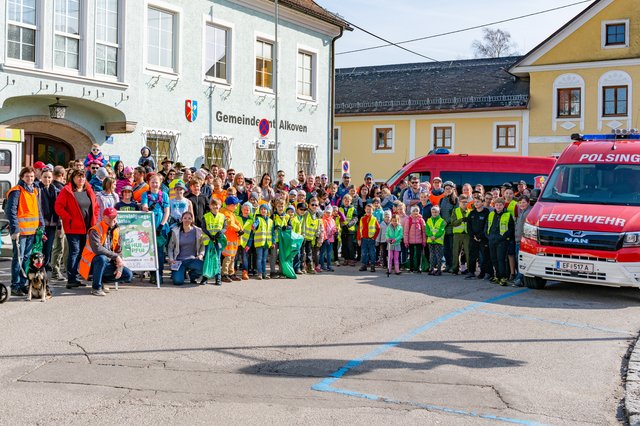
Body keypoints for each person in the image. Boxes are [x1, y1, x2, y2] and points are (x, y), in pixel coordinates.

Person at [55, 169, 99, 288]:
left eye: (83, 177)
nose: (81, 179)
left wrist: (94, 218)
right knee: (74, 252)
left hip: (87, 227)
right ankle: (71, 279)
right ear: (73, 179)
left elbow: (96, 206)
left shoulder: (89, 190)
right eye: (78, 177)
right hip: (73, 227)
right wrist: (68, 218)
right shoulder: (67, 191)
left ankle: (77, 275)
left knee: (81, 252)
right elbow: (58, 207)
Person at [78, 207, 132, 296]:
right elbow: (97, 249)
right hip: (90, 264)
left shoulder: (117, 230)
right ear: (103, 217)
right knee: (101, 258)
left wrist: (119, 267)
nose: (112, 219)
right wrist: (116, 257)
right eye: (109, 217)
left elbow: (119, 250)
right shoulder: (95, 230)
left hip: (108, 262)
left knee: (128, 275)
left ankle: (100, 280)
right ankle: (96, 288)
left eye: (114, 217)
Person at [6, 167, 43, 296]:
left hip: (32, 231)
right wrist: (15, 229)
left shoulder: (34, 190)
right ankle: (15, 285)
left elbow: (38, 211)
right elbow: (10, 211)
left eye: (32, 176)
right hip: (20, 232)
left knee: (27, 259)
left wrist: (41, 226)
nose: (30, 178)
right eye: (27, 176)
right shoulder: (16, 191)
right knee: (18, 259)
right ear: (22, 177)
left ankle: (23, 284)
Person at [141, 174, 170, 284]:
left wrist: (162, 225)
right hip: (149, 226)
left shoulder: (164, 195)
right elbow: (144, 205)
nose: (154, 184)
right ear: (149, 183)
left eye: (156, 182)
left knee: (160, 252)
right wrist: (145, 207)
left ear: (160, 183)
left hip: (161, 226)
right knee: (150, 252)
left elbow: (167, 211)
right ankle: (152, 274)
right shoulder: (145, 194)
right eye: (152, 182)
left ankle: (159, 274)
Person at [167, 211, 204, 285]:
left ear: (192, 220)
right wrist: (171, 259)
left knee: (203, 268)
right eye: (185, 218)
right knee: (178, 281)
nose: (187, 220)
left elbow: (202, 245)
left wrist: (201, 255)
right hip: (179, 261)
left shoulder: (198, 231)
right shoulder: (175, 231)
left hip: (192, 259)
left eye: (189, 218)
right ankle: (181, 272)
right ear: (181, 219)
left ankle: (192, 276)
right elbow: (170, 247)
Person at [486, 198, 515, 286]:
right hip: (492, 240)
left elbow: (511, 228)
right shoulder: (491, 214)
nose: (498, 207)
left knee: (501, 259)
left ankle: (503, 277)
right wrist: (488, 236)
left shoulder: (507, 215)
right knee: (494, 259)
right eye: (497, 205)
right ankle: (497, 276)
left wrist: (504, 237)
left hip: (502, 241)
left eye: (500, 205)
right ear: (494, 205)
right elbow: (487, 226)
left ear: (503, 206)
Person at [202, 198, 227, 285]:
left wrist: (219, 233)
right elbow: (204, 227)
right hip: (209, 241)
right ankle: (205, 278)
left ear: (220, 206)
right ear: (210, 206)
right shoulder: (206, 216)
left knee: (217, 259)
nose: (215, 206)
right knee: (207, 259)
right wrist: (209, 235)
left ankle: (218, 278)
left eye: (217, 205)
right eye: (213, 205)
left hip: (218, 240)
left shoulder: (222, 216)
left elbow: (224, 227)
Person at [38, 168, 60, 270]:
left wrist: (59, 225)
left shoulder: (55, 190)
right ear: (41, 177)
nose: (47, 179)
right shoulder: (38, 189)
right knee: (40, 245)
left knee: (49, 245)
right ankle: (40, 264)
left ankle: (46, 264)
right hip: (41, 223)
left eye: (49, 177)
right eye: (45, 177)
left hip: (52, 222)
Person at [465, 197, 491, 280]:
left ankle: (485, 273)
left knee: (484, 257)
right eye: (475, 202)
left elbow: (487, 226)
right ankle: (471, 272)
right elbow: (468, 226)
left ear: (483, 203)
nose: (476, 203)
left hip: (483, 239)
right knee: (472, 255)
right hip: (473, 238)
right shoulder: (472, 213)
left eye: (478, 202)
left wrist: (480, 236)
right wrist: (473, 236)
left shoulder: (486, 213)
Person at [50, 166, 67, 281]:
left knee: (58, 246)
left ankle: (56, 270)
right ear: (61, 175)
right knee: (59, 247)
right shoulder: (60, 189)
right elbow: (59, 209)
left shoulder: (51, 187)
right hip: (59, 221)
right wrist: (60, 225)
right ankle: (55, 272)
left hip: (53, 221)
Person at [220, 196, 242, 282]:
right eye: (236, 205)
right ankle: (224, 274)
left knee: (232, 257)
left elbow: (236, 222)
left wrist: (240, 229)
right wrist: (239, 229)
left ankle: (231, 273)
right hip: (228, 238)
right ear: (231, 205)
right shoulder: (225, 212)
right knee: (228, 257)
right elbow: (230, 224)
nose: (236, 207)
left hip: (233, 238)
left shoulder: (231, 212)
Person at [439, 181, 458, 273]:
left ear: (453, 189)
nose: (447, 190)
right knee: (445, 248)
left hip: (452, 228)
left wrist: (447, 221)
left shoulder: (456, 200)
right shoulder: (442, 200)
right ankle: (448, 265)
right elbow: (439, 213)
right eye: (446, 188)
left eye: (449, 188)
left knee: (452, 248)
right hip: (443, 228)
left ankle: (453, 266)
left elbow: (456, 214)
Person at [513, 195, 532, 287]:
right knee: (518, 260)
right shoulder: (521, 212)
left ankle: (520, 279)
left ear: (528, 203)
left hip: (523, 242)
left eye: (524, 202)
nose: (522, 204)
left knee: (521, 261)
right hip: (517, 240)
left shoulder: (528, 213)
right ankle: (519, 278)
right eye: (520, 203)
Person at [252, 203, 274, 280]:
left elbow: (272, 233)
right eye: (261, 209)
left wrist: (273, 242)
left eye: (264, 209)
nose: (263, 210)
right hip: (259, 242)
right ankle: (260, 273)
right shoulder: (258, 219)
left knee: (264, 259)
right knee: (259, 258)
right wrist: (254, 225)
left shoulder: (271, 221)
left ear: (267, 210)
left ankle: (264, 273)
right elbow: (255, 224)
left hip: (267, 243)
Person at [450, 196, 471, 275]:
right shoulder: (455, 211)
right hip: (457, 234)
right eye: (463, 202)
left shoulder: (470, 211)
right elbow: (453, 222)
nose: (464, 204)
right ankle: (455, 269)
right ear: (459, 202)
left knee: (468, 252)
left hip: (467, 235)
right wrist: (461, 220)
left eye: (466, 202)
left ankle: (470, 270)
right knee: (456, 252)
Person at [357, 203, 380, 272]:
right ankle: (364, 265)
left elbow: (378, 228)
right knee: (364, 253)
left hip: (371, 239)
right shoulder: (362, 218)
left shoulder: (374, 219)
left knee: (372, 253)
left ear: (373, 210)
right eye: (367, 209)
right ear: (365, 210)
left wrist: (374, 237)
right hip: (363, 239)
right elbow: (359, 229)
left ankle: (373, 265)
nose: (368, 211)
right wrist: (358, 239)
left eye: (370, 210)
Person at [404, 205, 426, 273]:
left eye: (417, 210)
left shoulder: (421, 220)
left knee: (419, 255)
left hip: (419, 241)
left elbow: (423, 231)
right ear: (411, 212)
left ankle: (419, 267)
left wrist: (424, 240)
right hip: (411, 241)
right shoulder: (409, 220)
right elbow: (406, 231)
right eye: (414, 211)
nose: (415, 212)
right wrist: (406, 241)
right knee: (411, 255)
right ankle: (411, 268)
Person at [270, 198, 289, 278]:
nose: (280, 208)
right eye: (279, 206)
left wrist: (287, 227)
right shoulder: (273, 216)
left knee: (282, 256)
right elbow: (269, 227)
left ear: (284, 207)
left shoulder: (287, 216)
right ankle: (273, 271)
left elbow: (290, 226)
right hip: (275, 240)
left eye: (282, 206)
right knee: (273, 256)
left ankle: (281, 271)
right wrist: (274, 227)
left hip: (283, 240)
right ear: (276, 207)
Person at [237, 202, 255, 280]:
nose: (246, 211)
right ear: (241, 210)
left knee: (245, 258)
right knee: (235, 257)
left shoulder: (251, 221)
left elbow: (251, 234)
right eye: (244, 209)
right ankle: (233, 271)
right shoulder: (237, 218)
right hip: (236, 241)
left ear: (250, 211)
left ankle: (245, 272)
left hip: (245, 242)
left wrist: (249, 244)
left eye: (248, 210)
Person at [426, 206, 446, 276]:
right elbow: (427, 229)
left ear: (439, 212)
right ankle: (431, 269)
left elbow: (441, 230)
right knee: (431, 255)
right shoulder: (429, 220)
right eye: (433, 212)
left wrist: (435, 236)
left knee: (438, 255)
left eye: (436, 212)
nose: (434, 213)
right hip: (431, 240)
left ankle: (439, 270)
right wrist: (430, 235)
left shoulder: (441, 221)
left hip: (438, 241)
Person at [319, 206, 337, 272]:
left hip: (331, 239)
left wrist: (335, 231)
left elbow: (334, 227)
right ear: (324, 212)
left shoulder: (332, 220)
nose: (328, 214)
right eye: (327, 212)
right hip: (324, 239)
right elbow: (323, 230)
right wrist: (325, 238)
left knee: (329, 253)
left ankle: (329, 266)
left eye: (329, 212)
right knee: (322, 252)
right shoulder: (323, 220)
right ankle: (322, 265)